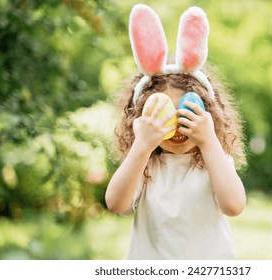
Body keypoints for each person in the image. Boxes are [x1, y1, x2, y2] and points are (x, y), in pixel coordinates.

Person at [105, 4, 247, 259]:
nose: (177, 127)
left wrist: (209, 141)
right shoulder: (146, 164)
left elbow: (234, 206)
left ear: (208, 116)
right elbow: (116, 203)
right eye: (164, 115)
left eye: (187, 113)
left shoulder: (212, 160)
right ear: (142, 120)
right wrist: (142, 145)